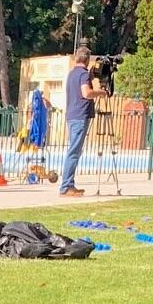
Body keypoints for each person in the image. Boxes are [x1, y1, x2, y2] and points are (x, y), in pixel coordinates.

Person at [58, 45, 103, 198]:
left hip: (72, 115)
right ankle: (66, 186)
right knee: (74, 152)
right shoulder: (83, 74)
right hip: (80, 115)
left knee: (74, 151)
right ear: (87, 60)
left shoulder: (72, 74)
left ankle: (69, 184)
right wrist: (101, 93)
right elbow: (86, 93)